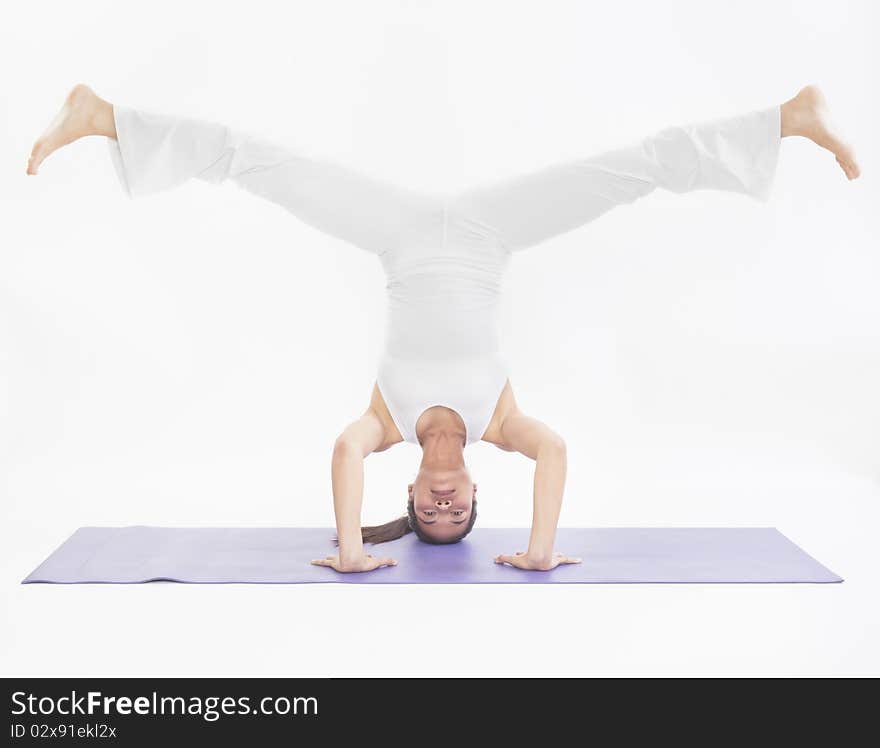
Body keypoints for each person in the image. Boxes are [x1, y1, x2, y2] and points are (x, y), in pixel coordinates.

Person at [27, 83, 859, 573]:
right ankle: (788, 116)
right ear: (471, 497)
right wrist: (539, 550)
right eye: (457, 515)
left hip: (396, 233)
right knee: (635, 169)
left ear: (416, 499)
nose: (444, 507)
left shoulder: (382, 428)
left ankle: (101, 115)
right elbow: (558, 453)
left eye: (430, 516)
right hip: (493, 232)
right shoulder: (503, 426)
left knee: (258, 162)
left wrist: (353, 550)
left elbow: (343, 453)